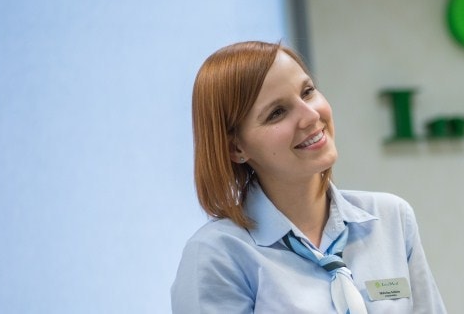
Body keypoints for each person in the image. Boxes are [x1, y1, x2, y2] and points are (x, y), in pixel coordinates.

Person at [172, 41, 447, 313]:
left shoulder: (391, 218)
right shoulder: (217, 255)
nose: (311, 115)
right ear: (236, 148)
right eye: (277, 113)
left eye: (307, 92)